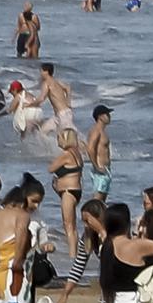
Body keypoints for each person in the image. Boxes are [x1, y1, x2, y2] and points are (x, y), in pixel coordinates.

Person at [50, 128, 85, 260]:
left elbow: (51, 168)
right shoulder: (77, 154)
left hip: (68, 192)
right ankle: (74, 254)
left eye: (59, 137)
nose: (57, 140)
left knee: (68, 226)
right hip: (75, 191)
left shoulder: (66, 155)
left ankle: (72, 256)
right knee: (73, 226)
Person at [27, 62, 74, 134]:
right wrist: (68, 101)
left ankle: (84, 144)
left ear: (46, 72)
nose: (40, 73)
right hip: (58, 116)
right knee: (42, 132)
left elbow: (42, 98)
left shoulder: (46, 83)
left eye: (41, 71)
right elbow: (68, 88)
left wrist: (29, 105)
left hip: (64, 115)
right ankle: (51, 145)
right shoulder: (56, 81)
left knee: (69, 138)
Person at [87, 105, 113, 201]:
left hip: (105, 170)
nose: (109, 116)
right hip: (100, 170)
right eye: (107, 114)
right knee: (97, 201)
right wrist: (96, 166)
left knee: (102, 202)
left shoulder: (102, 131)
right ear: (100, 117)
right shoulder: (96, 131)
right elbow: (90, 148)